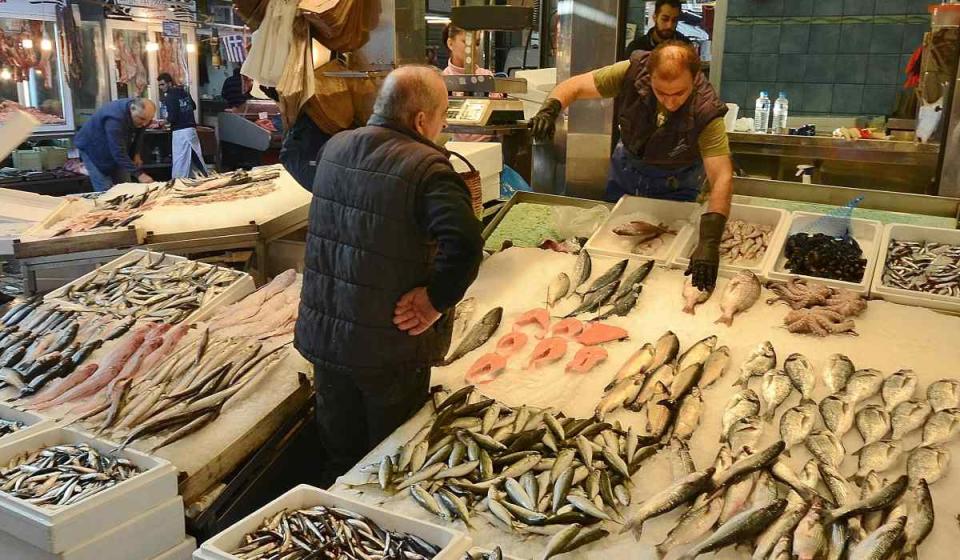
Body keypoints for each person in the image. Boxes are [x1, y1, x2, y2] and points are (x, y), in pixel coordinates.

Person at [295, 65, 483, 481]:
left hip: (326, 343)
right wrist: (435, 301)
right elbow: (466, 243)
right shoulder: (429, 168)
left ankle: (337, 528)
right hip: (389, 351)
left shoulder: (335, 147)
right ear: (420, 120)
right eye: (442, 115)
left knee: (341, 459)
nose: (443, 124)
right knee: (389, 465)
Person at [528, 41, 733, 292]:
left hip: (677, 182)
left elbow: (721, 175)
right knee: (613, 246)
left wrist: (709, 242)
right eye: (661, 93)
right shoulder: (632, 71)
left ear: (695, 77)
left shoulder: (706, 110)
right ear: (650, 76)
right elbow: (577, 85)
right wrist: (550, 109)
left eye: (679, 94)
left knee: (665, 259)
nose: (670, 102)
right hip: (626, 169)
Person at [74, 98, 155, 192]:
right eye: (141, 119)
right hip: (91, 146)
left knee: (127, 188)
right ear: (132, 108)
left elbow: (139, 133)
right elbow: (118, 151)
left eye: (148, 121)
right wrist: (140, 175)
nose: (144, 123)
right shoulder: (115, 118)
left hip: (115, 145)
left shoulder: (142, 114)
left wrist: (136, 153)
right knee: (107, 191)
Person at [441, 23, 497, 142]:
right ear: (450, 43)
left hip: (486, 149)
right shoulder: (441, 79)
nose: (473, 48)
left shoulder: (486, 77)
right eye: (466, 42)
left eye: (476, 43)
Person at [158, 73, 207, 179]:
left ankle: (178, 184)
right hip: (191, 129)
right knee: (195, 157)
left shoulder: (169, 97)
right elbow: (193, 106)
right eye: (159, 85)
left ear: (169, 83)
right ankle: (202, 179)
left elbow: (172, 117)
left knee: (180, 160)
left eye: (162, 84)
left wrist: (162, 122)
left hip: (180, 132)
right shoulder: (184, 92)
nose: (160, 87)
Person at [623, 0, 690, 58]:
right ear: (655, 17)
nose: (669, 25)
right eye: (665, 19)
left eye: (674, 20)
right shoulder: (637, 48)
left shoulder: (685, 46)